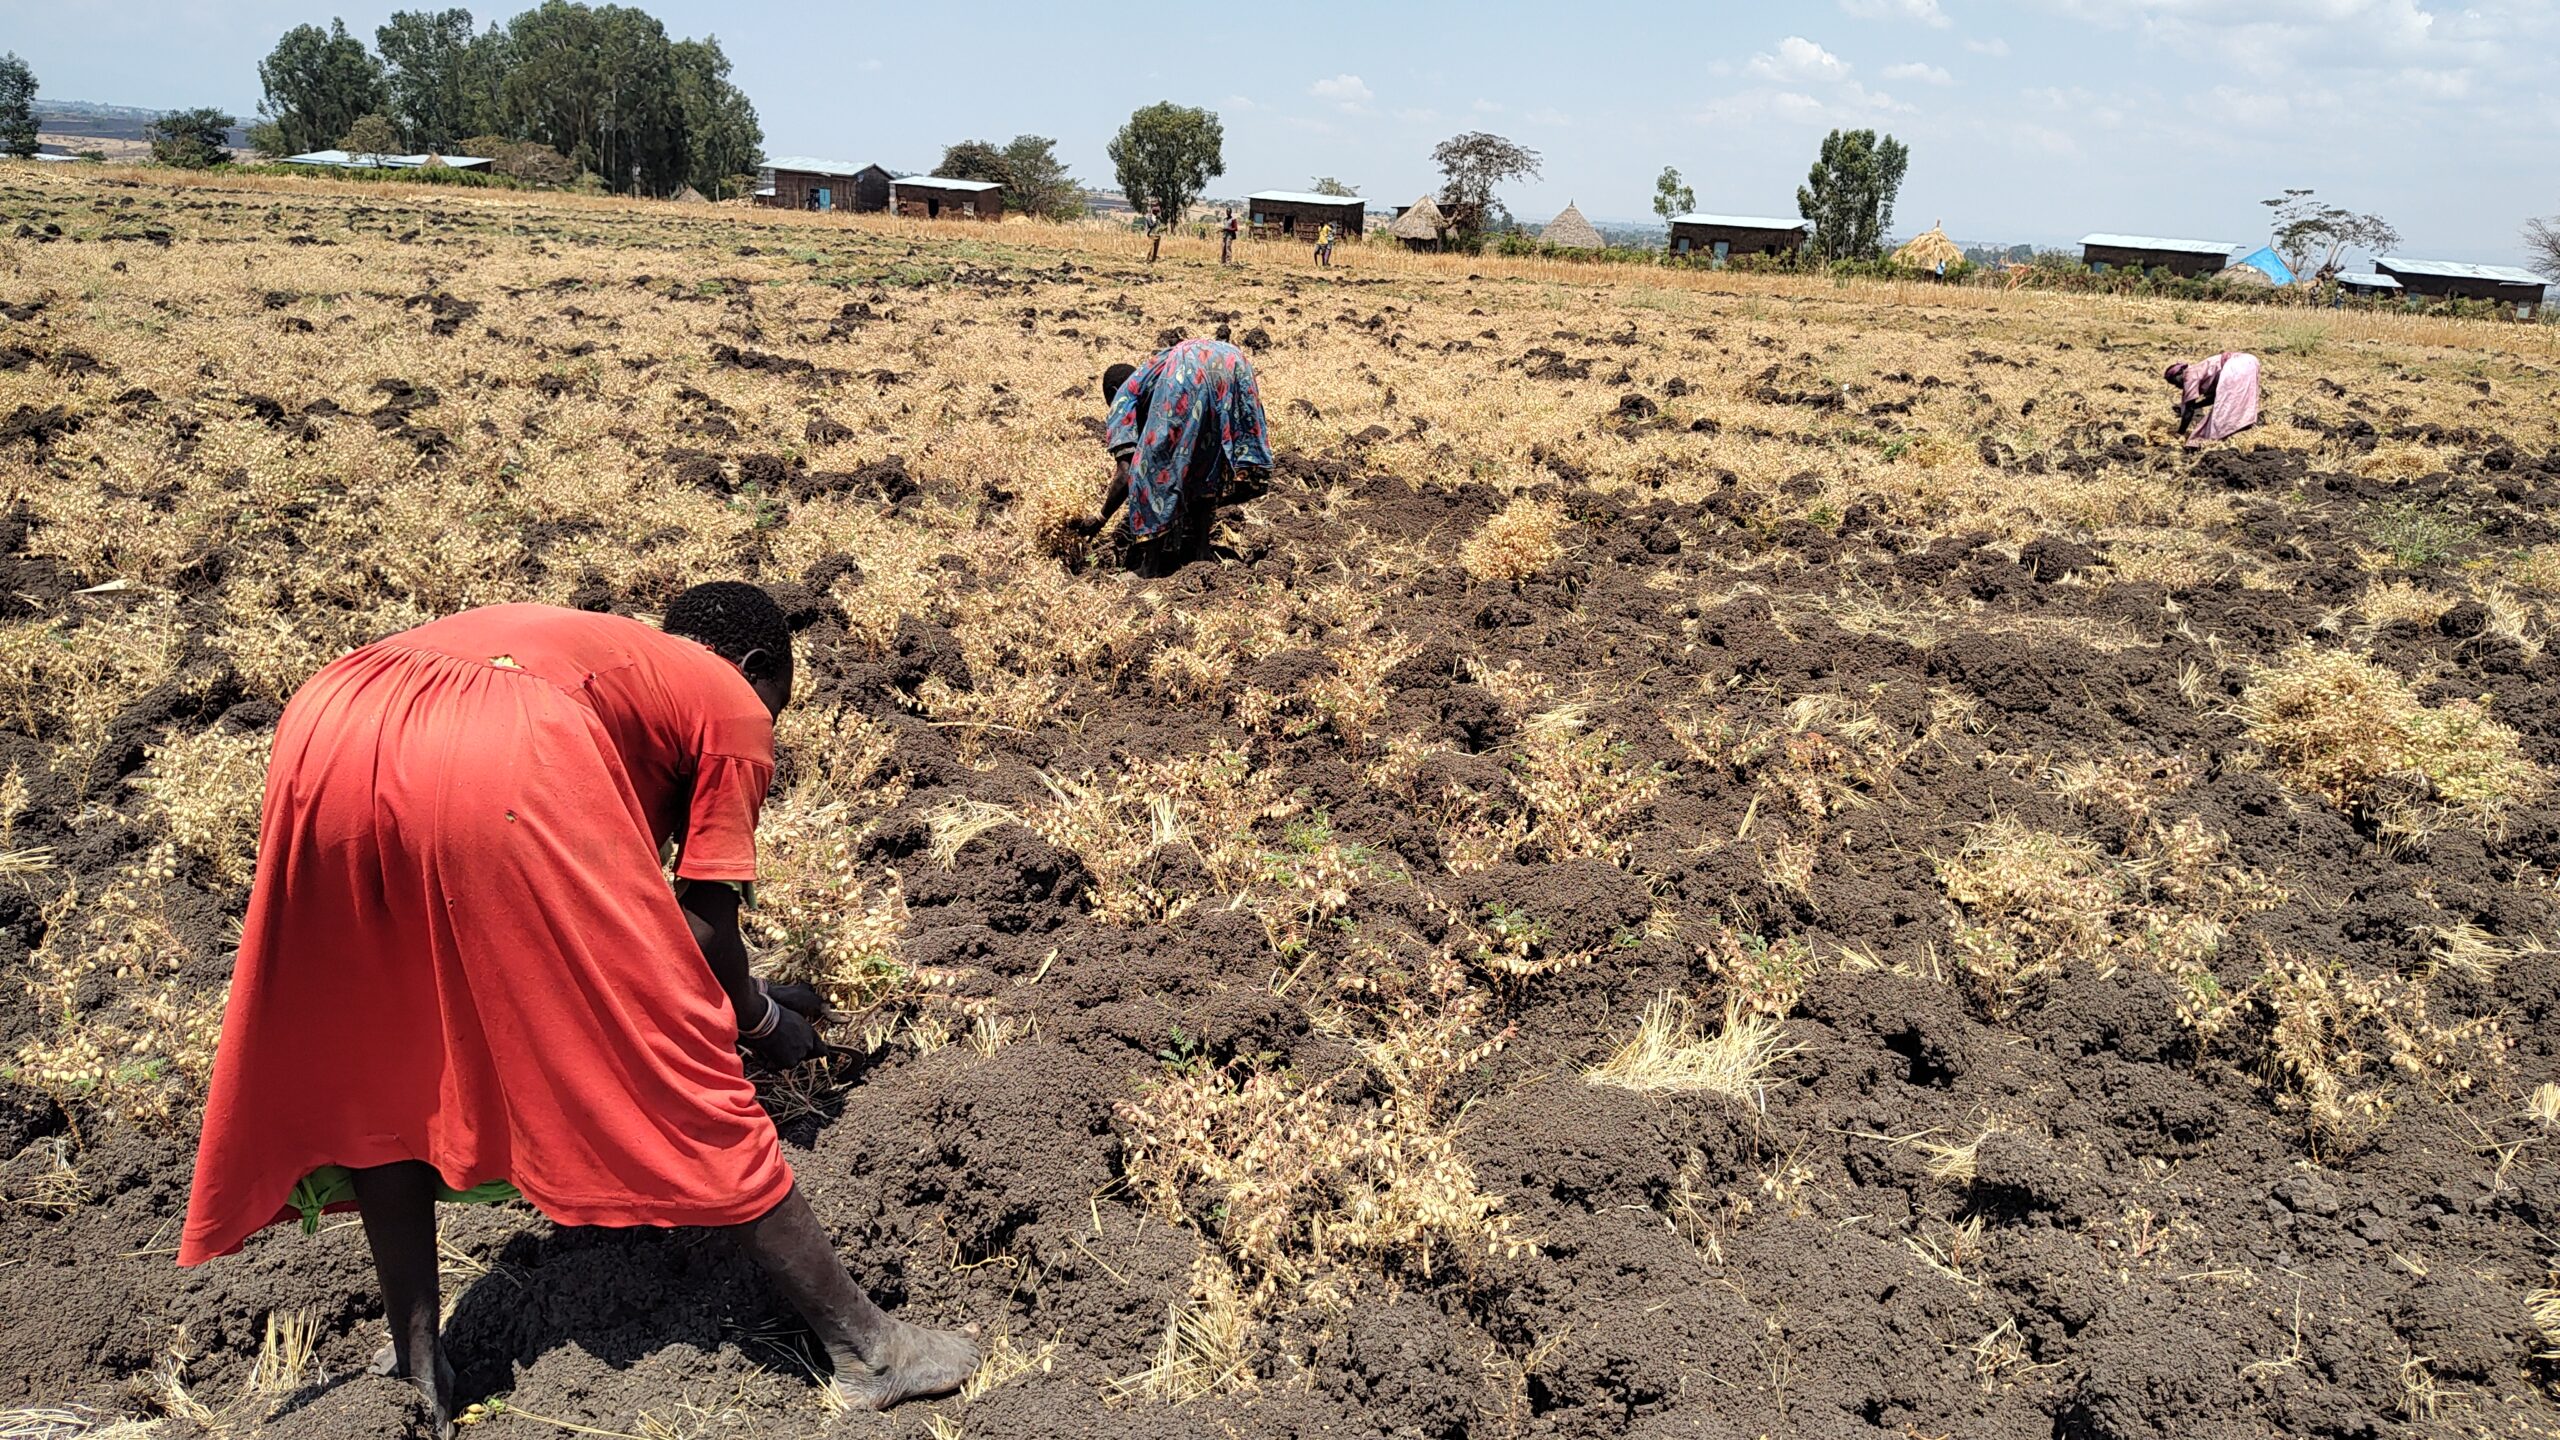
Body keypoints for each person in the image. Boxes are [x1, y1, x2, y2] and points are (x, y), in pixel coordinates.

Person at [178, 585, 977, 1429]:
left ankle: (421, 1366)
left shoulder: (614, 654)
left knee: (387, 1052)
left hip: (333, 715)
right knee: (667, 1045)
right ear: (755, 670)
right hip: (498, 739)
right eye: (776, 702)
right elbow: (699, 936)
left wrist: (758, 998)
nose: (767, 721)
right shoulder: (736, 705)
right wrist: (759, 1023)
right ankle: (868, 1347)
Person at [1074, 339, 1272, 576]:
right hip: (1231, 360)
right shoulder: (1155, 375)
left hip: (1188, 368)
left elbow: (1127, 472)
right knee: (1205, 462)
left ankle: (1150, 567)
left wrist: (1101, 516)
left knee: (1150, 470)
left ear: (1113, 392)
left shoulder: (1124, 395)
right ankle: (1202, 552)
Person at [2165, 351, 2263, 447]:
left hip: (2235, 365)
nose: (2176, 386)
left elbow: (2188, 411)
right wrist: (2197, 406)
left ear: (2180, 372)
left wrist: (2180, 433)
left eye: (2174, 381)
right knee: (2237, 404)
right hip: (2250, 361)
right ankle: (2236, 432)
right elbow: (2215, 398)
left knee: (2222, 412)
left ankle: (2203, 441)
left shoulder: (2189, 376)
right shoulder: (2199, 370)